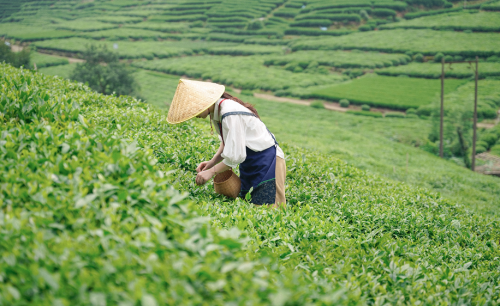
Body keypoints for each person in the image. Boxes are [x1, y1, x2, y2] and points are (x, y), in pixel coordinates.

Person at [167, 79, 286, 208]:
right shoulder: (217, 112)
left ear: (205, 104)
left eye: (194, 110)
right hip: (251, 162)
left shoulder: (228, 112)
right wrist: (212, 162)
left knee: (270, 208)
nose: (194, 115)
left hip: (268, 161)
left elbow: (235, 156)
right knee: (252, 206)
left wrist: (211, 172)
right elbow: (227, 142)